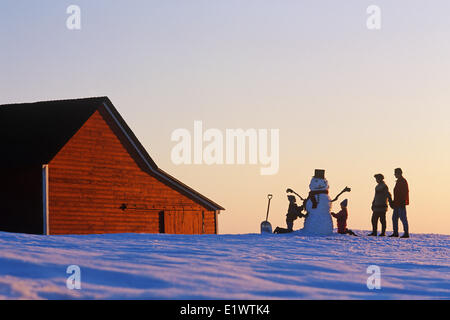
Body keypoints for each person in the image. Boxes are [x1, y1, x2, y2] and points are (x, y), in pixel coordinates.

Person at [389, 168, 410, 238]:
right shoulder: (399, 181)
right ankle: (395, 232)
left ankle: (406, 233)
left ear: (399, 173)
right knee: (394, 218)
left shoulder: (403, 181)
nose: (394, 175)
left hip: (401, 204)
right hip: (397, 203)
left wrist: (403, 202)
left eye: (395, 173)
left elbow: (404, 192)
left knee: (403, 218)